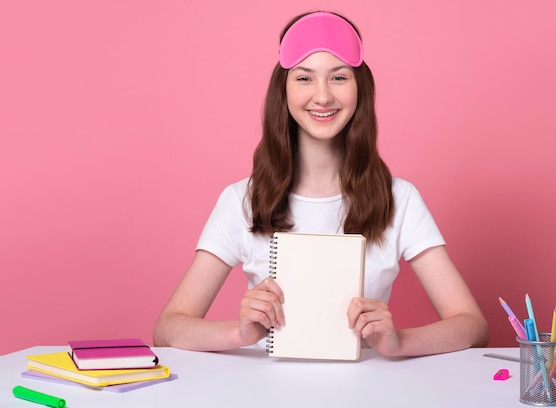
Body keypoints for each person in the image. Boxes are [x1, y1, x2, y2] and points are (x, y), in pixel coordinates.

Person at [153, 11, 488, 357]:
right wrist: (240, 333)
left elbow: (472, 326)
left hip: (367, 392)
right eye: (304, 79)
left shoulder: (399, 198)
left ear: (361, 89)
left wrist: (397, 342)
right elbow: (168, 329)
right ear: (283, 92)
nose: (323, 96)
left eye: (339, 77)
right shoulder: (242, 200)